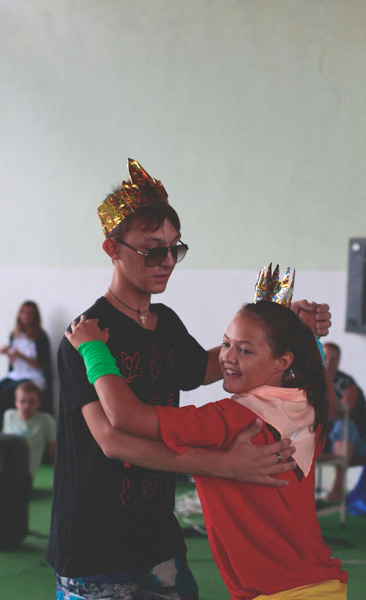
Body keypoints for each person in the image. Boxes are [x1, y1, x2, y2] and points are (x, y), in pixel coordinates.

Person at [46, 159, 332, 600]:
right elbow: (112, 440)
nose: (166, 262)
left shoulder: (165, 323)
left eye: (174, 250)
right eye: (152, 250)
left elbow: (214, 365)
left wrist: (284, 329)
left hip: (158, 537)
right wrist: (221, 465)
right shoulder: (86, 338)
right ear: (112, 249)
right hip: (94, 544)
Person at [66, 300, 348, 600]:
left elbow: (125, 416)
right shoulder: (309, 405)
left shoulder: (232, 420)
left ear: (282, 361)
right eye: (226, 344)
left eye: (245, 350)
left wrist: (92, 349)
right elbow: (325, 393)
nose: (228, 357)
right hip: (325, 586)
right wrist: (309, 335)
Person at [0, 300, 53, 429]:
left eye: (30, 313)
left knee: (8, 392)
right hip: (17, 374)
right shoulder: (14, 335)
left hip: (32, 375)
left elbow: (41, 364)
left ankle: (14, 427)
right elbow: (13, 364)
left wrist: (20, 355)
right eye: (24, 312)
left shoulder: (40, 337)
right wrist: (9, 354)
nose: (26, 316)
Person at [323, 342, 366, 502]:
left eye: (333, 359)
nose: (329, 362)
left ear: (338, 361)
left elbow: (342, 413)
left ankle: (337, 488)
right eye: (325, 357)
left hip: (358, 444)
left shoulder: (348, 384)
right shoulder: (313, 382)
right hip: (327, 439)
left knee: (344, 426)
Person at [2, 380, 56, 483]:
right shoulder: (8, 416)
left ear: (38, 403)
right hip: (8, 471)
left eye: (32, 401)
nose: (27, 406)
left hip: (29, 475)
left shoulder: (46, 420)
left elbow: (54, 450)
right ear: (16, 402)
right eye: (23, 401)